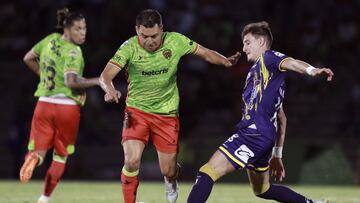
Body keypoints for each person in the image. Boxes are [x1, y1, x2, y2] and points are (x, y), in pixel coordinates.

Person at [99, 9, 240, 203]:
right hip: (136, 111)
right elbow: (105, 76)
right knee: (131, 161)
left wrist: (224, 60)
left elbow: (205, 53)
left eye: (154, 36)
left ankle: (171, 180)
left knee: (169, 170)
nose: (149, 41)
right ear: (137, 30)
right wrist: (109, 89)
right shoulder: (128, 48)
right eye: (144, 36)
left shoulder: (176, 41)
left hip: (166, 114)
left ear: (162, 30)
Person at [187, 21, 334, 203]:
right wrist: (277, 155)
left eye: (247, 42)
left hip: (253, 134)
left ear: (261, 42)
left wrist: (313, 71)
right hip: (265, 137)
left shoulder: (268, 58)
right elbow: (282, 119)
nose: (244, 48)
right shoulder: (264, 77)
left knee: (207, 171)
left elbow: (291, 62)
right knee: (262, 189)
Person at [20, 8, 99, 203]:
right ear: (67, 30)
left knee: (38, 152)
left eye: (85, 28)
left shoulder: (49, 40)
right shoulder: (74, 51)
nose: (83, 33)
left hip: (44, 104)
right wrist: (98, 81)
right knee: (60, 156)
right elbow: (71, 82)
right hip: (66, 108)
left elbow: (28, 58)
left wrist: (44, 76)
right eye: (78, 29)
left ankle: (34, 160)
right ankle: (44, 198)